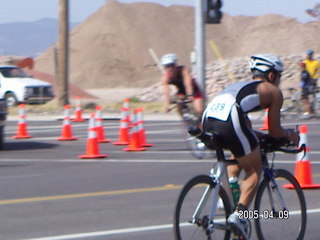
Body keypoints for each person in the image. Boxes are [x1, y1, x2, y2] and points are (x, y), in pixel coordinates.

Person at [201, 54, 300, 238]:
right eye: (279, 76)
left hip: (208, 117)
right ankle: (239, 216)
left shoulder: (242, 88)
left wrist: (258, 137)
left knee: (241, 153)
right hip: (230, 115)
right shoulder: (272, 91)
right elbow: (276, 132)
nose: (279, 81)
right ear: (271, 76)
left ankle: (230, 195)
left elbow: (243, 128)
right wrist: (290, 135)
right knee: (254, 169)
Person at [160, 53, 204, 119]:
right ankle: (186, 119)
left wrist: (190, 95)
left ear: (175, 65)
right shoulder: (165, 78)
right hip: (181, 91)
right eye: (167, 67)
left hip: (194, 89)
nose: (169, 69)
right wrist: (167, 105)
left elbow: (188, 84)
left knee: (199, 110)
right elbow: (166, 93)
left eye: (171, 65)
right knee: (178, 101)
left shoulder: (184, 70)